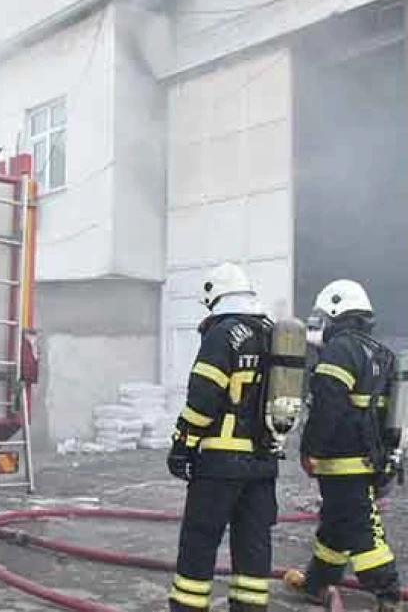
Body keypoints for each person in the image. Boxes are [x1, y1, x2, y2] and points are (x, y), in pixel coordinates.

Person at [166, 262, 282, 612]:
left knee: (200, 540)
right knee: (253, 544)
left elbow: (203, 397)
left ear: (214, 297)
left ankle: (188, 607)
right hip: (264, 462)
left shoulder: (223, 334)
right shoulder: (274, 334)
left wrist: (182, 445)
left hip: (221, 460)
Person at [284, 279, 404, 612]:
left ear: (335, 312)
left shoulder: (341, 350)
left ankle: (389, 595)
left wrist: (310, 449)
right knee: (336, 525)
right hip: (369, 459)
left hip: (345, 461)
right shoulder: (380, 352)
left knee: (363, 533)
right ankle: (317, 583)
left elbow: (328, 405)